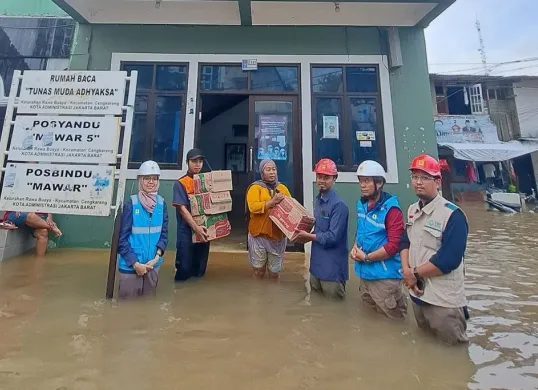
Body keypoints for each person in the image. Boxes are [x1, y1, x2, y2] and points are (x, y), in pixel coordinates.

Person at [400, 154, 469, 345]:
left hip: (444, 303)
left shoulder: (453, 215)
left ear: (438, 181)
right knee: (425, 350)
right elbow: (405, 241)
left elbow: (449, 260)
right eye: (415, 177)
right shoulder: (413, 210)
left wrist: (413, 273)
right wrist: (406, 271)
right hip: (417, 296)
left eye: (424, 177)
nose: (418, 183)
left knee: (454, 360)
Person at [350, 160, 407, 319]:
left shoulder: (391, 210)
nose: (363, 185)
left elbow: (394, 245)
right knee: (370, 324)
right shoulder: (361, 204)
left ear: (379, 183)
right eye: (361, 181)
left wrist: (367, 258)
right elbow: (361, 230)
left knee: (393, 325)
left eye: (367, 181)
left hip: (386, 281)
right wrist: (354, 247)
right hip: (365, 277)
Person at [294, 159, 349, 299]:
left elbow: (333, 237)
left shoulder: (339, 205)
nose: (322, 181)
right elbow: (318, 229)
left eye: (326, 177)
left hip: (332, 270)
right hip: (316, 267)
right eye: (319, 177)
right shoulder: (319, 199)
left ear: (335, 178)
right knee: (317, 307)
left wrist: (308, 236)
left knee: (334, 311)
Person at [117, 160, 168, 298]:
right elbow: (121, 240)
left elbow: (163, 235)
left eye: (154, 178)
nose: (151, 182)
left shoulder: (162, 204)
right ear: (140, 180)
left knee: (148, 306)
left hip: (153, 265)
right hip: (130, 267)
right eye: (147, 178)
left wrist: (157, 257)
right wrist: (135, 264)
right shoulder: (131, 205)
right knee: (127, 309)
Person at [246, 159, 291, 279]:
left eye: (274, 169)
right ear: (262, 172)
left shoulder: (282, 188)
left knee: (274, 273)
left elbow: (291, 208)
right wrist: (273, 202)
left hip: (278, 236)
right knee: (258, 271)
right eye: (268, 169)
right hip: (258, 235)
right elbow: (253, 207)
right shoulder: (256, 188)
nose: (272, 172)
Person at [173, 148, 210, 281]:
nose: (197, 164)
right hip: (187, 232)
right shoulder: (181, 183)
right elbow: (182, 209)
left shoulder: (206, 181)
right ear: (187, 162)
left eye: (200, 161)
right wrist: (196, 228)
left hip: (204, 231)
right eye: (194, 161)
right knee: (184, 268)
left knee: (200, 270)